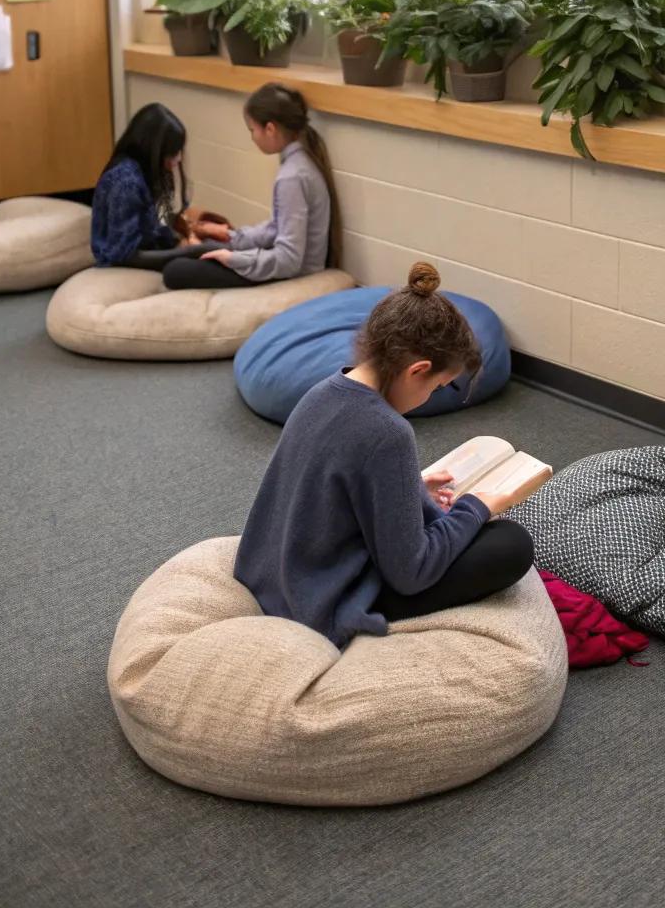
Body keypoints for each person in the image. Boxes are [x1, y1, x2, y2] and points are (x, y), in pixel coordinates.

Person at [234, 262, 534, 646]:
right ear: (417, 370)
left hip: (276, 573)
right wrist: (475, 507)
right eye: (438, 387)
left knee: (443, 518)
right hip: (321, 600)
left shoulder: (323, 390)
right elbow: (411, 572)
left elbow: (328, 485)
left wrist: (411, 488)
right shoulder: (388, 432)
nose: (431, 397)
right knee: (510, 544)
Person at [162, 82, 341, 292]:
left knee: (176, 271)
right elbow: (277, 228)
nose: (252, 138)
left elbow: (289, 259)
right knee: (200, 248)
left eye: (252, 130)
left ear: (270, 129)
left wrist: (234, 258)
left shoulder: (292, 176)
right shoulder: (300, 165)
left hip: (294, 274)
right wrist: (232, 237)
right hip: (284, 264)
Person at [91, 103, 210, 270]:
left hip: (149, 250)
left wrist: (180, 241)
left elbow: (159, 224)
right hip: (121, 266)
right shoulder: (126, 183)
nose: (178, 159)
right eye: (172, 152)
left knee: (211, 247)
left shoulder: (148, 172)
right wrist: (187, 252)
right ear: (152, 149)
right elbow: (125, 255)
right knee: (202, 256)